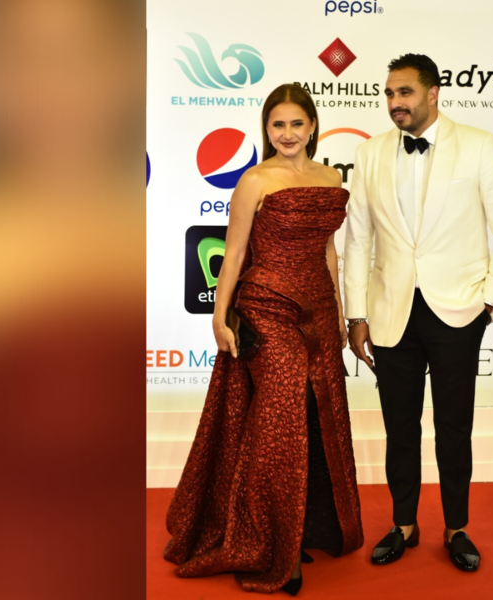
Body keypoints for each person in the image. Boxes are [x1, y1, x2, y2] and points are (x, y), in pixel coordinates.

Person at [164, 83, 363, 595]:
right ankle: (272, 544)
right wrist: (218, 315)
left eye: (297, 124)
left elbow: (329, 253)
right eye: (279, 125)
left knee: (318, 415)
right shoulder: (254, 179)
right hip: (266, 306)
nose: (289, 134)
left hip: (318, 308)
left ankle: (307, 526)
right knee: (280, 418)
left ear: (313, 126)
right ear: (266, 129)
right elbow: (232, 256)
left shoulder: (330, 176)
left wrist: (338, 313)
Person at [343, 54, 493, 572]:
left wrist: (490, 298)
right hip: (390, 310)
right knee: (399, 426)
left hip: (457, 310)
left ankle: (456, 527)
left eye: (404, 92)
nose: (394, 103)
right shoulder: (370, 152)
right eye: (388, 94)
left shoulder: (479, 145)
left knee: (454, 426)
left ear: (433, 93)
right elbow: (357, 240)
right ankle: (404, 523)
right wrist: (356, 314)